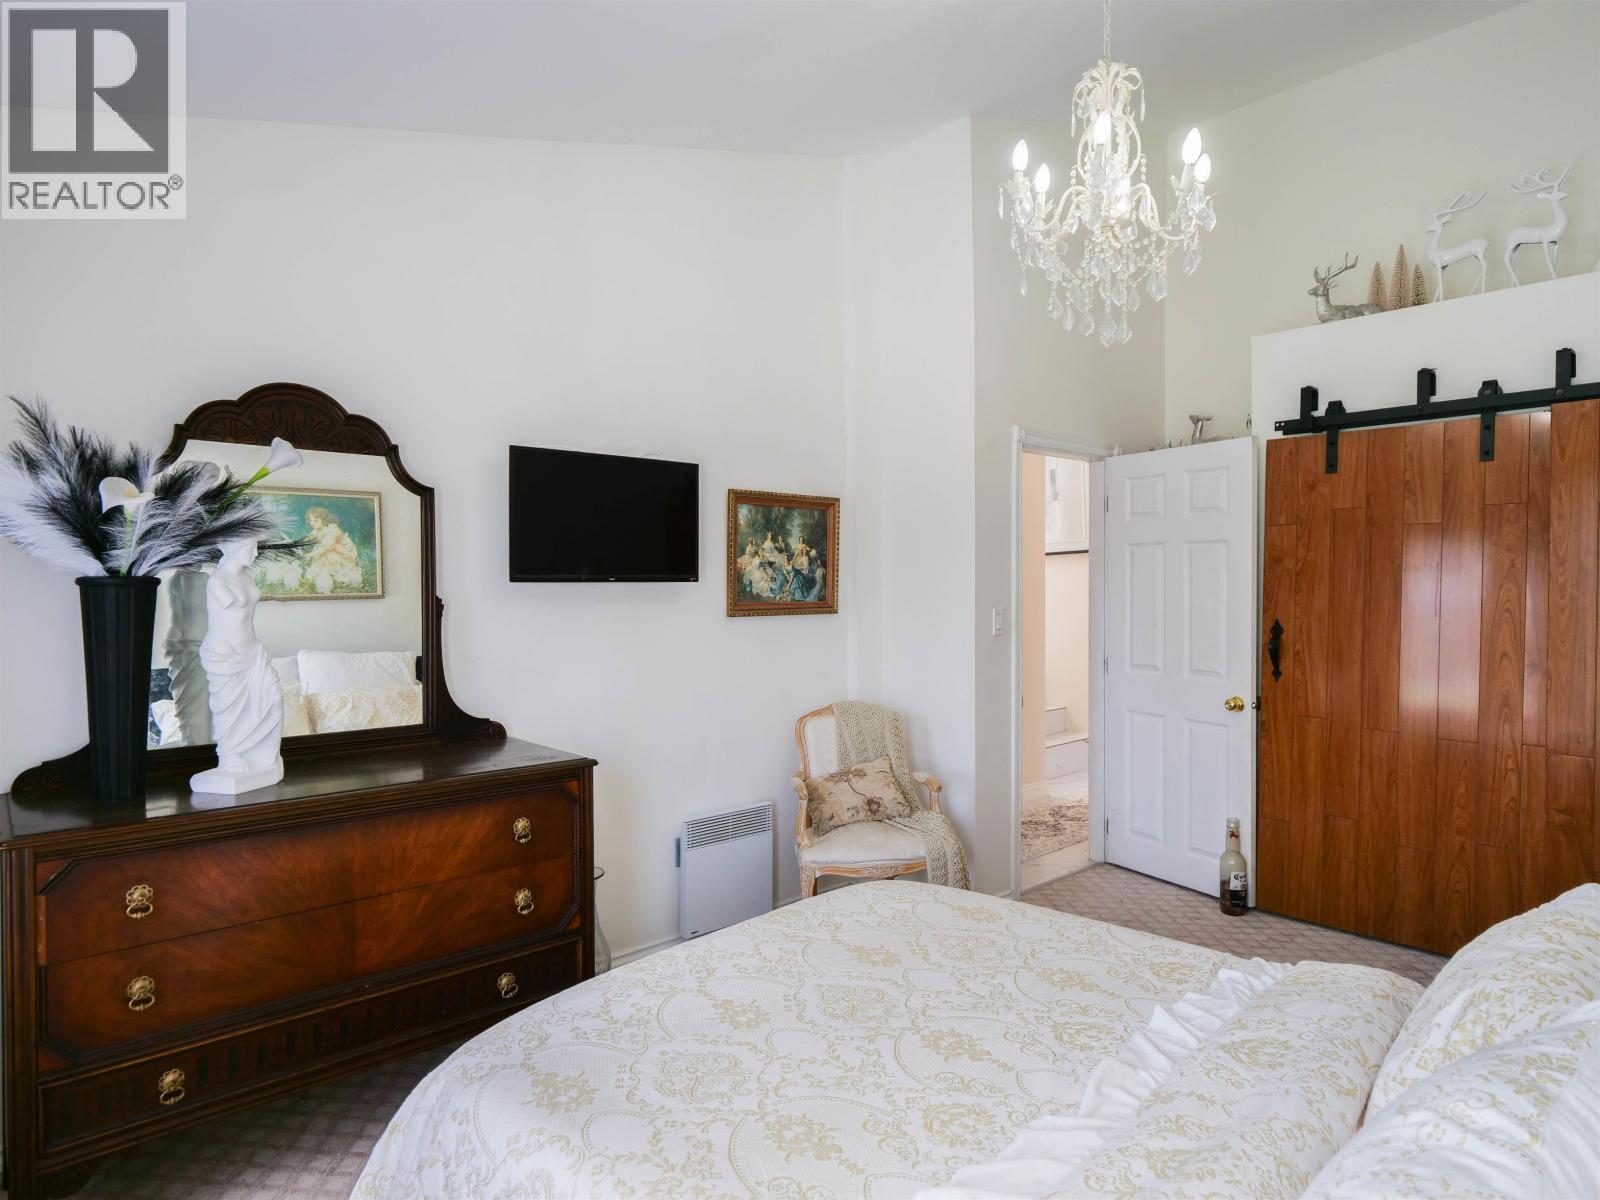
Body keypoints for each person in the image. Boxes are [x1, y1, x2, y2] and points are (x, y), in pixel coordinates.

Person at [302, 506, 364, 594]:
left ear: (324, 520)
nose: (313, 523)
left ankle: (331, 574)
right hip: (333, 549)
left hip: (344, 553)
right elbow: (310, 539)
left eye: (316, 521)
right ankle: (324, 574)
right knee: (319, 551)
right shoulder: (318, 530)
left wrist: (310, 555)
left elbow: (325, 547)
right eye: (311, 520)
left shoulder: (332, 529)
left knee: (322, 553)